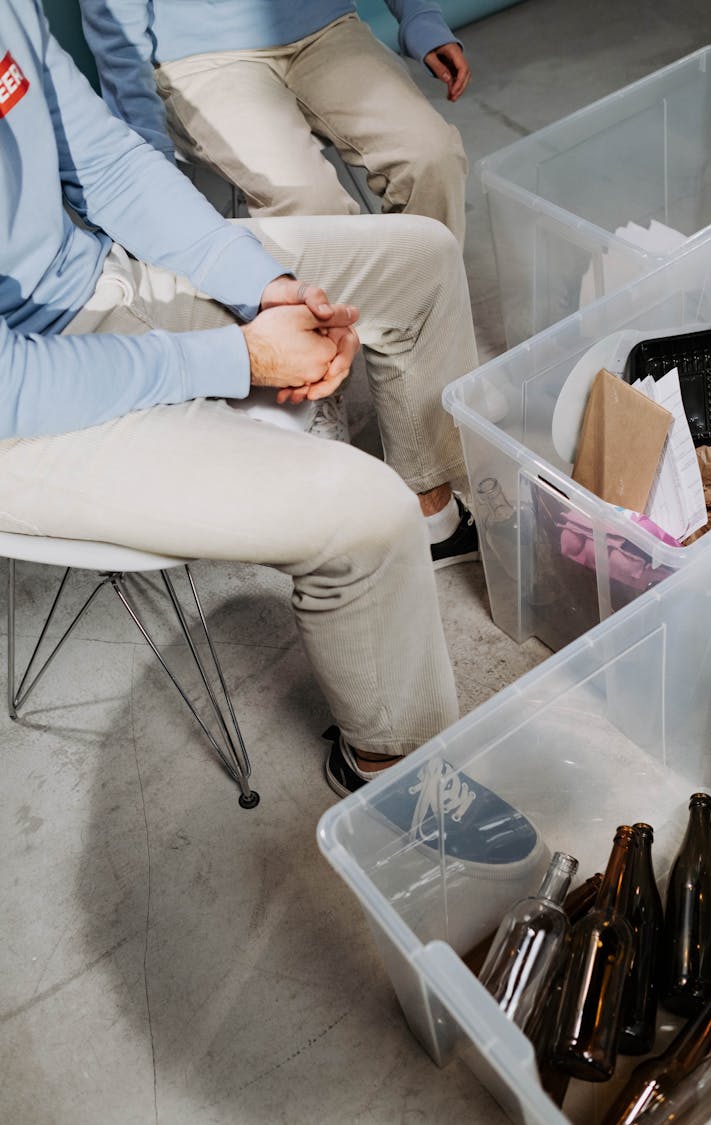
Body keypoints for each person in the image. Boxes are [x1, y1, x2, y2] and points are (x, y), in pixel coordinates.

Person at [1, 0, 480, 798]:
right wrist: (235, 356)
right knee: (361, 512)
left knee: (420, 263)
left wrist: (266, 287)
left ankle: (438, 509)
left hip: (93, 282)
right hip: (21, 409)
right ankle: (391, 771)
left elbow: (107, 163)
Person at [78, 0, 470, 246]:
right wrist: (147, 153)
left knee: (431, 154)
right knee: (308, 203)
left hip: (326, 29)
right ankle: (337, 344)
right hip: (199, 58)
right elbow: (113, 22)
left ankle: (423, 317)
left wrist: (420, 16)